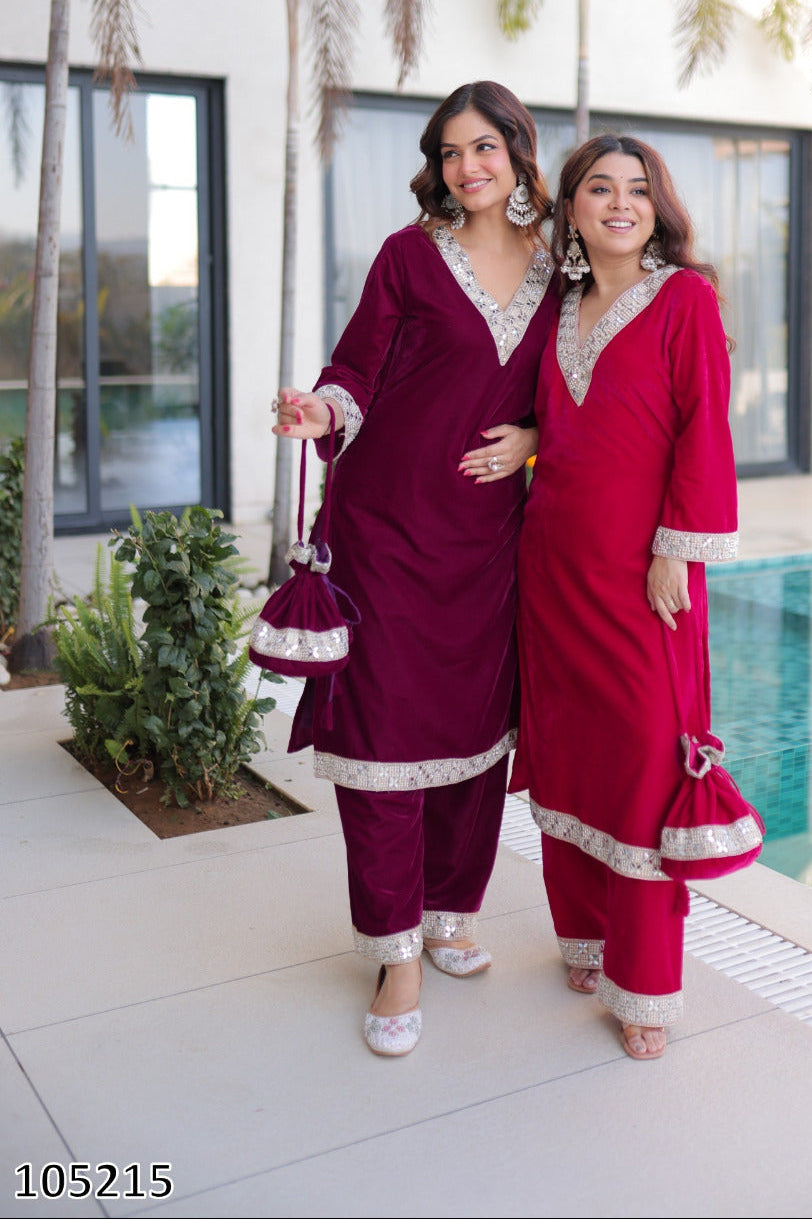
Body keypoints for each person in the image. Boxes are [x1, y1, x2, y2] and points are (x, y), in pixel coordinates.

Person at [269, 82, 558, 1056]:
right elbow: (355, 365)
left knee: (477, 737)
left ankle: (449, 906)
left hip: (488, 540)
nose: (466, 167)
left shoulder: (563, 267)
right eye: (449, 153)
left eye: (484, 148)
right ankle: (393, 950)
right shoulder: (406, 255)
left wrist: (530, 437)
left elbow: (580, 383)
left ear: (519, 151)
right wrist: (321, 412)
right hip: (384, 531)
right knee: (386, 745)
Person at [510, 133, 740, 1060]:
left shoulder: (685, 299)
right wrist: (514, 435)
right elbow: (552, 420)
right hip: (551, 570)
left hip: (644, 577)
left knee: (648, 767)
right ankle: (587, 940)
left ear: (658, 209)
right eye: (597, 189)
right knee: (572, 758)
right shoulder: (558, 307)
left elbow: (703, 431)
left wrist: (674, 553)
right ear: (570, 210)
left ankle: (645, 983)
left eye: (636, 191)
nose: (617, 203)